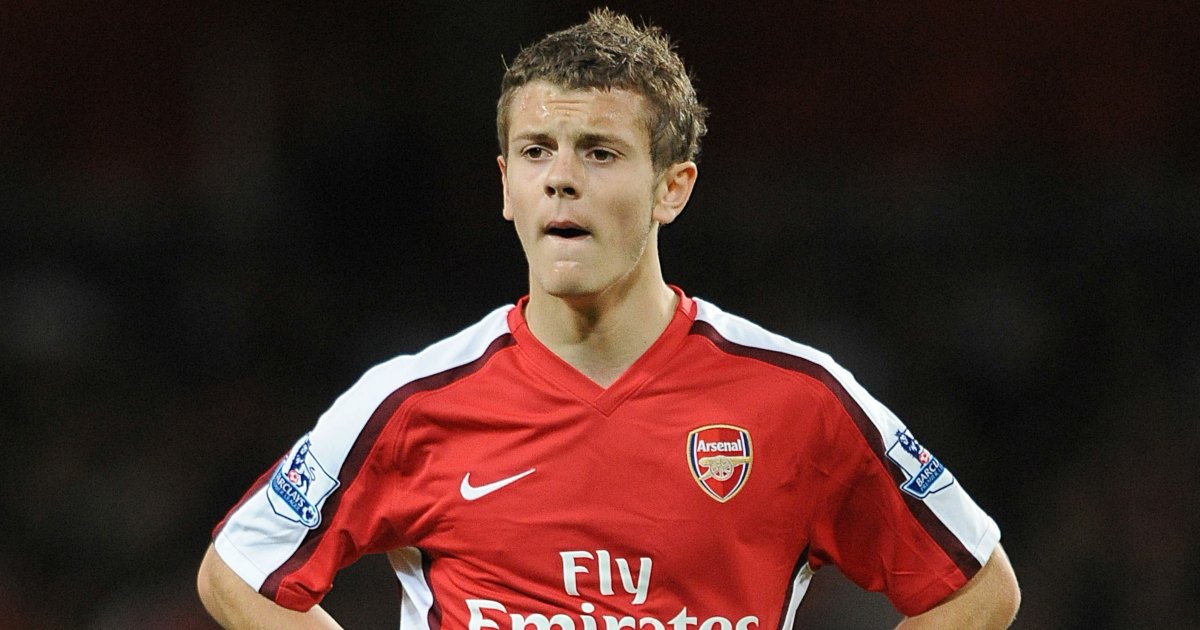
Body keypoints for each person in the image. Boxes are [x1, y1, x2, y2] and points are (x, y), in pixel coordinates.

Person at [197, 8, 1020, 628]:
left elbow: (978, 586)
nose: (561, 179)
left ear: (674, 187)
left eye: (599, 152)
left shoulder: (798, 401)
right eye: (535, 152)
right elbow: (237, 571)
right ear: (506, 186)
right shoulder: (411, 401)